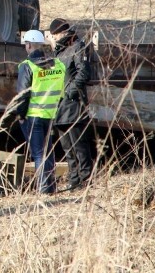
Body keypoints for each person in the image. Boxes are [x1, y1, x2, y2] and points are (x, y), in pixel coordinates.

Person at [14, 29, 66, 194]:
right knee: (48, 153)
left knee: (38, 154)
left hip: (34, 116)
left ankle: (44, 191)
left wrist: (20, 116)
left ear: (28, 45)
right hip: (51, 116)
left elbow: (22, 95)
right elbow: (61, 90)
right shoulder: (58, 64)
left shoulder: (27, 66)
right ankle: (51, 188)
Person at [49, 18, 95, 191]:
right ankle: (74, 180)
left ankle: (86, 180)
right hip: (59, 107)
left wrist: (70, 93)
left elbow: (84, 73)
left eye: (53, 36)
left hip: (73, 104)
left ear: (60, 34)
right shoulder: (59, 53)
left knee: (79, 144)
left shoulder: (77, 46)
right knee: (67, 146)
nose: (52, 39)